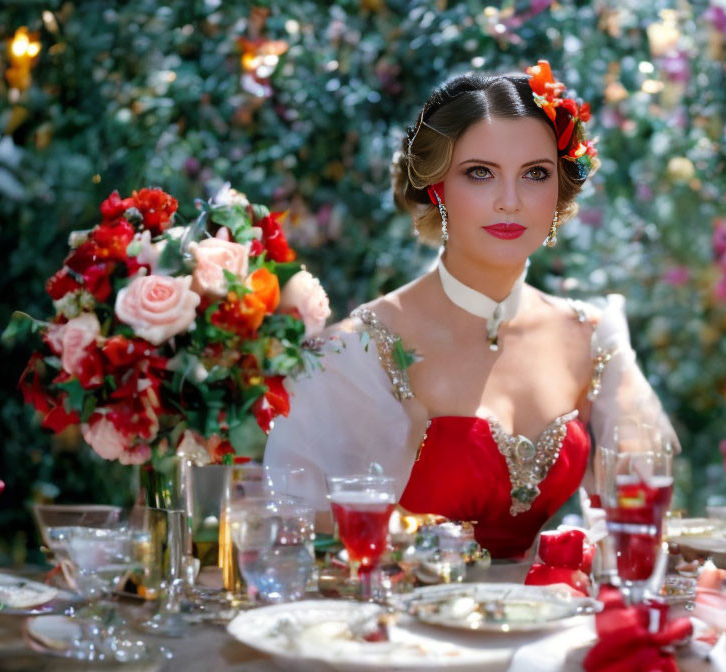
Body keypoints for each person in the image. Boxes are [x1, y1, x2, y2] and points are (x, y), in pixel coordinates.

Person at [264, 61, 677, 560]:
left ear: (559, 192)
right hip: (404, 628)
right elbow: (291, 539)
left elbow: (640, 500)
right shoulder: (360, 349)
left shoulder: (592, 335)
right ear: (437, 188)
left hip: (549, 621)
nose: (510, 201)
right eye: (480, 174)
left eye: (536, 174)